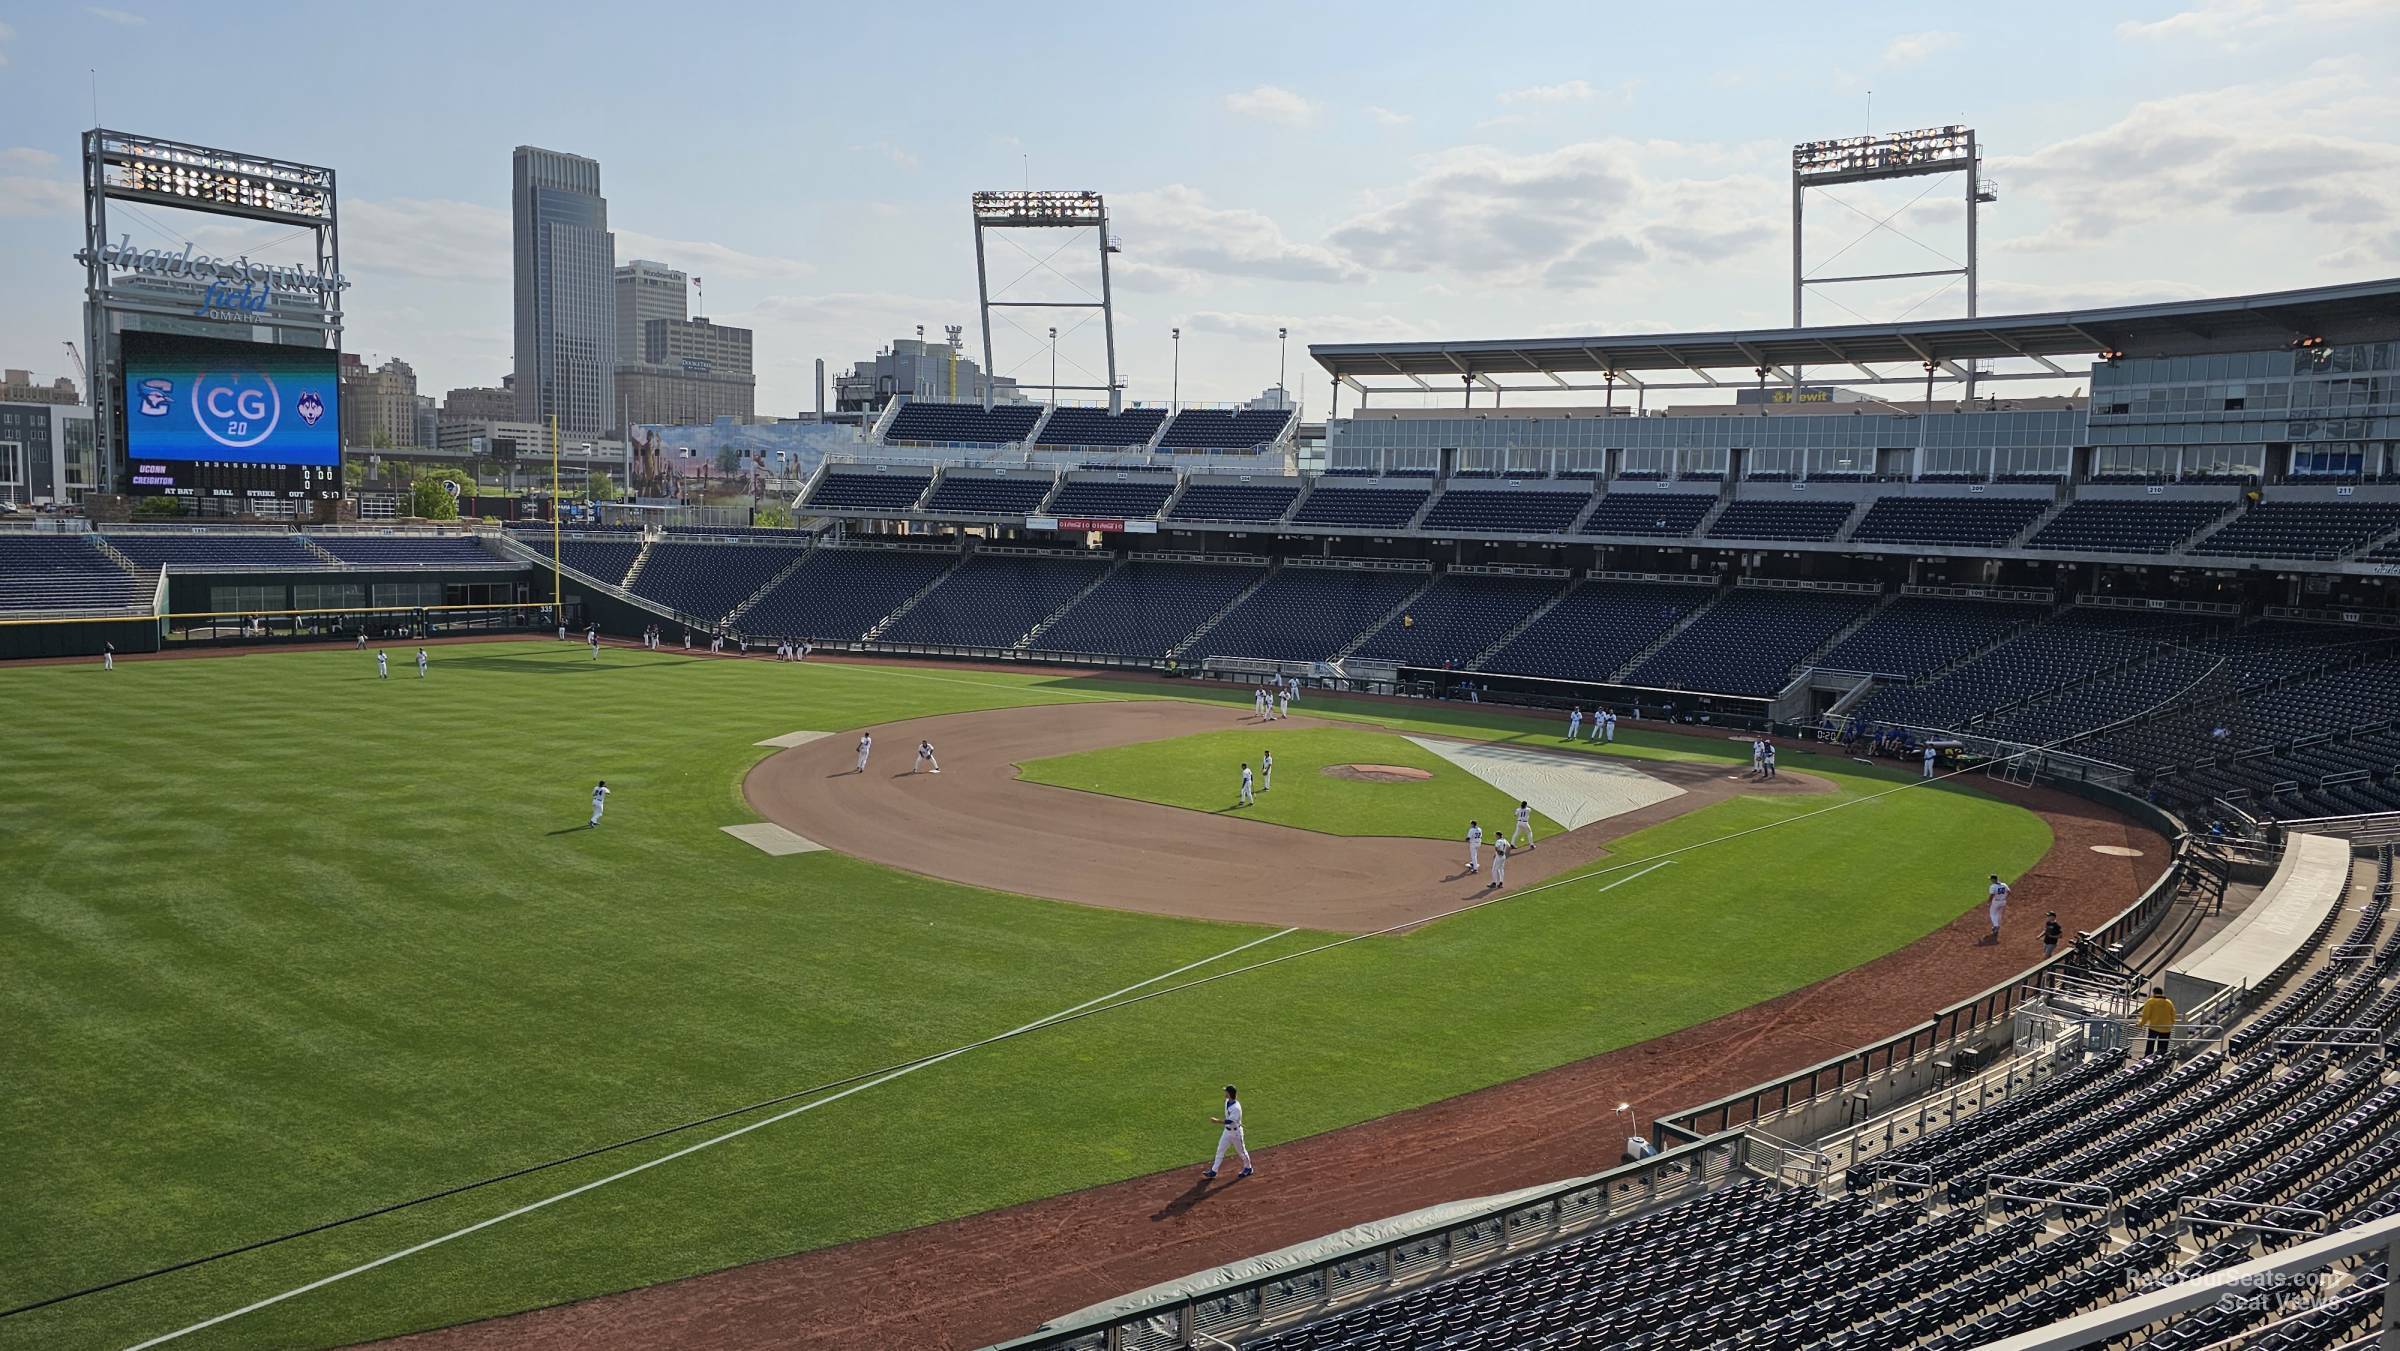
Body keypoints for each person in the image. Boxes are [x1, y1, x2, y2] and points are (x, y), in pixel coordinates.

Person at [1203, 1085, 1252, 1180]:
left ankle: (1248, 1168)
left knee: (1241, 1152)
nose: (1224, 1093)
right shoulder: (1227, 1102)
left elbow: (1230, 1121)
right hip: (1227, 1132)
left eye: (1226, 1092)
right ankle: (1213, 1171)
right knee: (1220, 1150)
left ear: (1229, 1094)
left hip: (1236, 1133)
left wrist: (1217, 1121)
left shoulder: (1236, 1108)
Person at [2137, 987, 2177, 1057]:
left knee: (2150, 1045)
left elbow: (2146, 1015)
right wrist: (2172, 1023)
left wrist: (2140, 1023)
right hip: (2166, 1028)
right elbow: (2173, 1014)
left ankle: (2147, 1058)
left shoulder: (2151, 1002)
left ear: (2154, 993)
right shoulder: (2169, 1002)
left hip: (2154, 1027)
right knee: (2163, 1048)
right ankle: (2160, 1060)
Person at [1986, 874, 2011, 944]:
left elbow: (1991, 895)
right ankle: (1997, 925)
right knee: (1999, 914)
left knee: (1992, 913)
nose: (1990, 880)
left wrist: (1988, 902)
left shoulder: (1993, 886)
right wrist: (2004, 897)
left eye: (1991, 879)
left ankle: (1996, 926)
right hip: (2003, 901)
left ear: (1994, 879)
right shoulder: (2004, 884)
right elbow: (2009, 892)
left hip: (1996, 901)